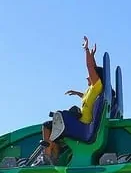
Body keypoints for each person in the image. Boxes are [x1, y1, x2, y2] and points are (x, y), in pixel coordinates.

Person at [40, 36, 103, 164]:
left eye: (89, 76)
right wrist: (76, 93)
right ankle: (54, 152)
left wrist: (86, 50)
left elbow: (91, 68)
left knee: (48, 125)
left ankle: (47, 154)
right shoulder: (91, 89)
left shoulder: (97, 86)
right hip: (81, 123)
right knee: (55, 129)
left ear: (95, 77)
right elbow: (94, 71)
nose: (87, 77)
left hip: (83, 127)